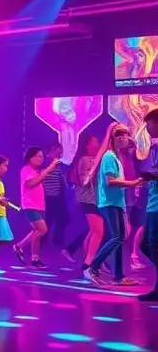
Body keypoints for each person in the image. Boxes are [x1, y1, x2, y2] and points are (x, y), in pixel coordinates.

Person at [83, 123, 143, 287]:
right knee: (118, 237)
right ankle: (92, 266)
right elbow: (110, 181)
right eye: (125, 135)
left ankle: (118, 276)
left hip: (116, 202)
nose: (128, 139)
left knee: (120, 237)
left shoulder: (116, 156)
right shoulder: (109, 156)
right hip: (110, 202)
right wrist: (132, 184)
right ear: (118, 138)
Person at [14, 147, 60, 268]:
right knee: (42, 230)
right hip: (30, 205)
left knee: (37, 232)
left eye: (42, 156)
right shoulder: (26, 170)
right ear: (31, 158)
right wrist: (50, 168)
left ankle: (35, 259)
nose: (41, 159)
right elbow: (30, 183)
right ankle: (20, 246)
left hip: (39, 206)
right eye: (39, 156)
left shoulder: (36, 171)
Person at [63, 134, 104, 269]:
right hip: (88, 200)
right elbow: (86, 180)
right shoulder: (85, 160)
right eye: (95, 141)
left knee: (93, 231)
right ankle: (88, 264)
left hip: (95, 200)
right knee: (97, 231)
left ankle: (89, 260)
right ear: (87, 145)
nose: (97, 144)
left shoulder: (93, 159)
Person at [138, 109, 158, 302]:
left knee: (152, 243)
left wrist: (151, 175)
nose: (147, 128)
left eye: (149, 124)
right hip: (152, 203)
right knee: (147, 244)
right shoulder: (154, 148)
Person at [43, 142, 69, 250]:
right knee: (48, 219)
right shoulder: (45, 162)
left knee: (63, 217)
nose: (61, 152)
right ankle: (43, 241)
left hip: (57, 196)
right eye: (59, 150)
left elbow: (62, 179)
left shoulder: (59, 165)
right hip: (48, 196)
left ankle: (56, 240)